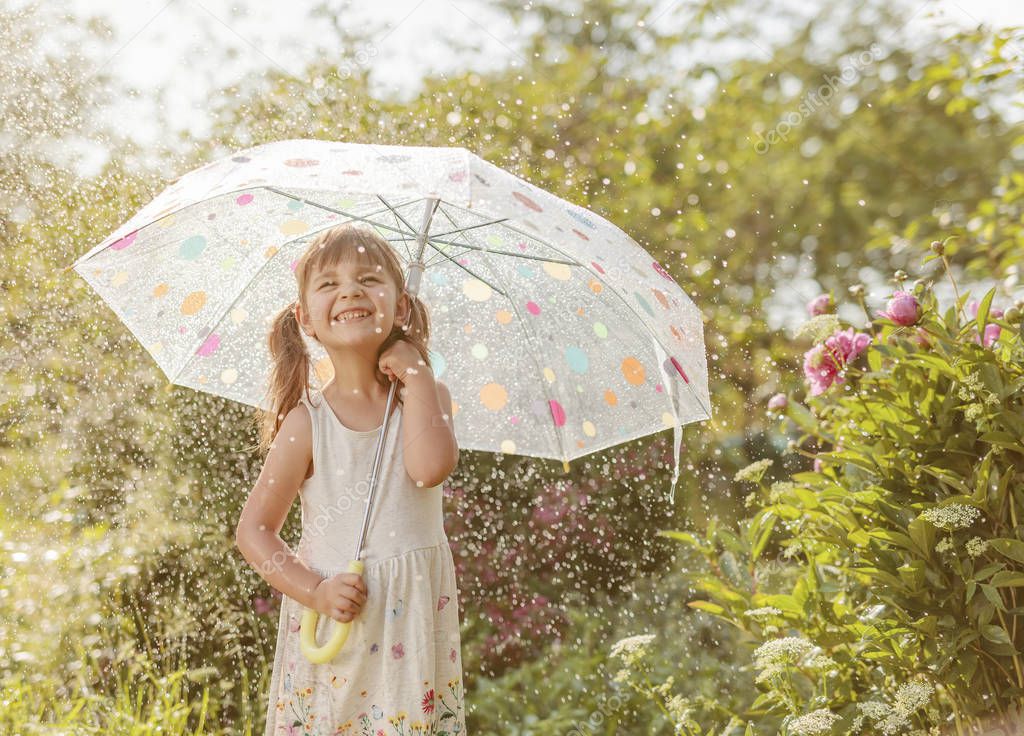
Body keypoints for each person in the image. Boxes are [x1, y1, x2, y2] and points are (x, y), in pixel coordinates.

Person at [235, 223, 467, 735]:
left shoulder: (426, 398)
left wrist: (417, 376)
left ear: (401, 307)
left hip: (410, 621)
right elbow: (254, 532)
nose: (350, 291)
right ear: (306, 319)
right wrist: (314, 590)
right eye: (329, 284)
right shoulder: (307, 423)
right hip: (339, 619)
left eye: (368, 279)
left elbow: (429, 469)